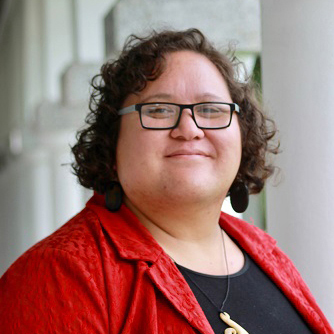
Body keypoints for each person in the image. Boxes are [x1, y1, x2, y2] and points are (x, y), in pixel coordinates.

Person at [0, 28, 332, 334]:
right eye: (158, 110)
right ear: (112, 142)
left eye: (211, 109)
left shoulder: (266, 252)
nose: (189, 129)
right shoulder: (60, 275)